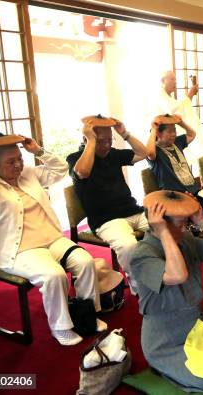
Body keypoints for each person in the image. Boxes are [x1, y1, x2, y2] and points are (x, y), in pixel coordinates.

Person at [0, 135, 106, 346]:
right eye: (10, 161)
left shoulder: (29, 175)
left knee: (85, 261)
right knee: (54, 275)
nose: (18, 165)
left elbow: (61, 170)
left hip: (51, 240)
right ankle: (61, 327)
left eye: (19, 158)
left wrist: (38, 151)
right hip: (20, 251)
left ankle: (87, 315)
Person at [130, 190, 203, 392]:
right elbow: (177, 275)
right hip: (166, 340)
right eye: (181, 223)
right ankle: (164, 367)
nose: (186, 228)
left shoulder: (184, 240)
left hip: (195, 326)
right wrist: (164, 232)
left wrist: (202, 221)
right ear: (160, 224)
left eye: (187, 222)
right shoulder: (142, 254)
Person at [66, 116, 149, 289]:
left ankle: (157, 272)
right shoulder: (75, 159)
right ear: (86, 139)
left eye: (110, 140)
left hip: (133, 210)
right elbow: (82, 172)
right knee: (128, 245)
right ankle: (139, 285)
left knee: (165, 229)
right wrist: (91, 141)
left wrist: (125, 134)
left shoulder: (113, 154)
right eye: (101, 141)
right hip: (107, 220)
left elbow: (144, 153)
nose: (106, 145)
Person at [145, 114, 203, 240]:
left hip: (195, 191)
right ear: (159, 133)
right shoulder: (156, 152)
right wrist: (153, 130)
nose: (174, 134)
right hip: (177, 195)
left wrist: (181, 122)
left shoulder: (176, 143)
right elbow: (149, 153)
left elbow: (192, 134)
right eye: (170, 131)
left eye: (174, 130)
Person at [155, 70, 203, 176]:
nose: (175, 82)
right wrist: (190, 95)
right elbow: (172, 110)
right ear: (163, 80)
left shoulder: (168, 97)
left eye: (175, 79)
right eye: (172, 79)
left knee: (181, 165)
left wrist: (190, 96)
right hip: (161, 140)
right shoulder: (159, 95)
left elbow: (178, 110)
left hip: (171, 139)